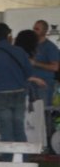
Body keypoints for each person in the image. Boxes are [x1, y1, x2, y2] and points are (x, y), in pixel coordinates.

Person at [0, 23, 31, 159]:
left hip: (1, 96)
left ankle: (9, 163)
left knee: (6, 132)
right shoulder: (20, 51)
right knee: (19, 129)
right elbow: (29, 72)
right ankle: (23, 161)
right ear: (8, 35)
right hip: (20, 94)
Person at [31, 20, 60, 148]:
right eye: (34, 28)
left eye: (37, 29)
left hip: (45, 85)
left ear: (45, 31)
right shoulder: (32, 46)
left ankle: (48, 142)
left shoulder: (50, 47)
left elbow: (55, 67)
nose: (34, 30)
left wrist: (36, 63)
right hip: (31, 84)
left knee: (45, 112)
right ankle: (36, 142)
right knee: (33, 114)